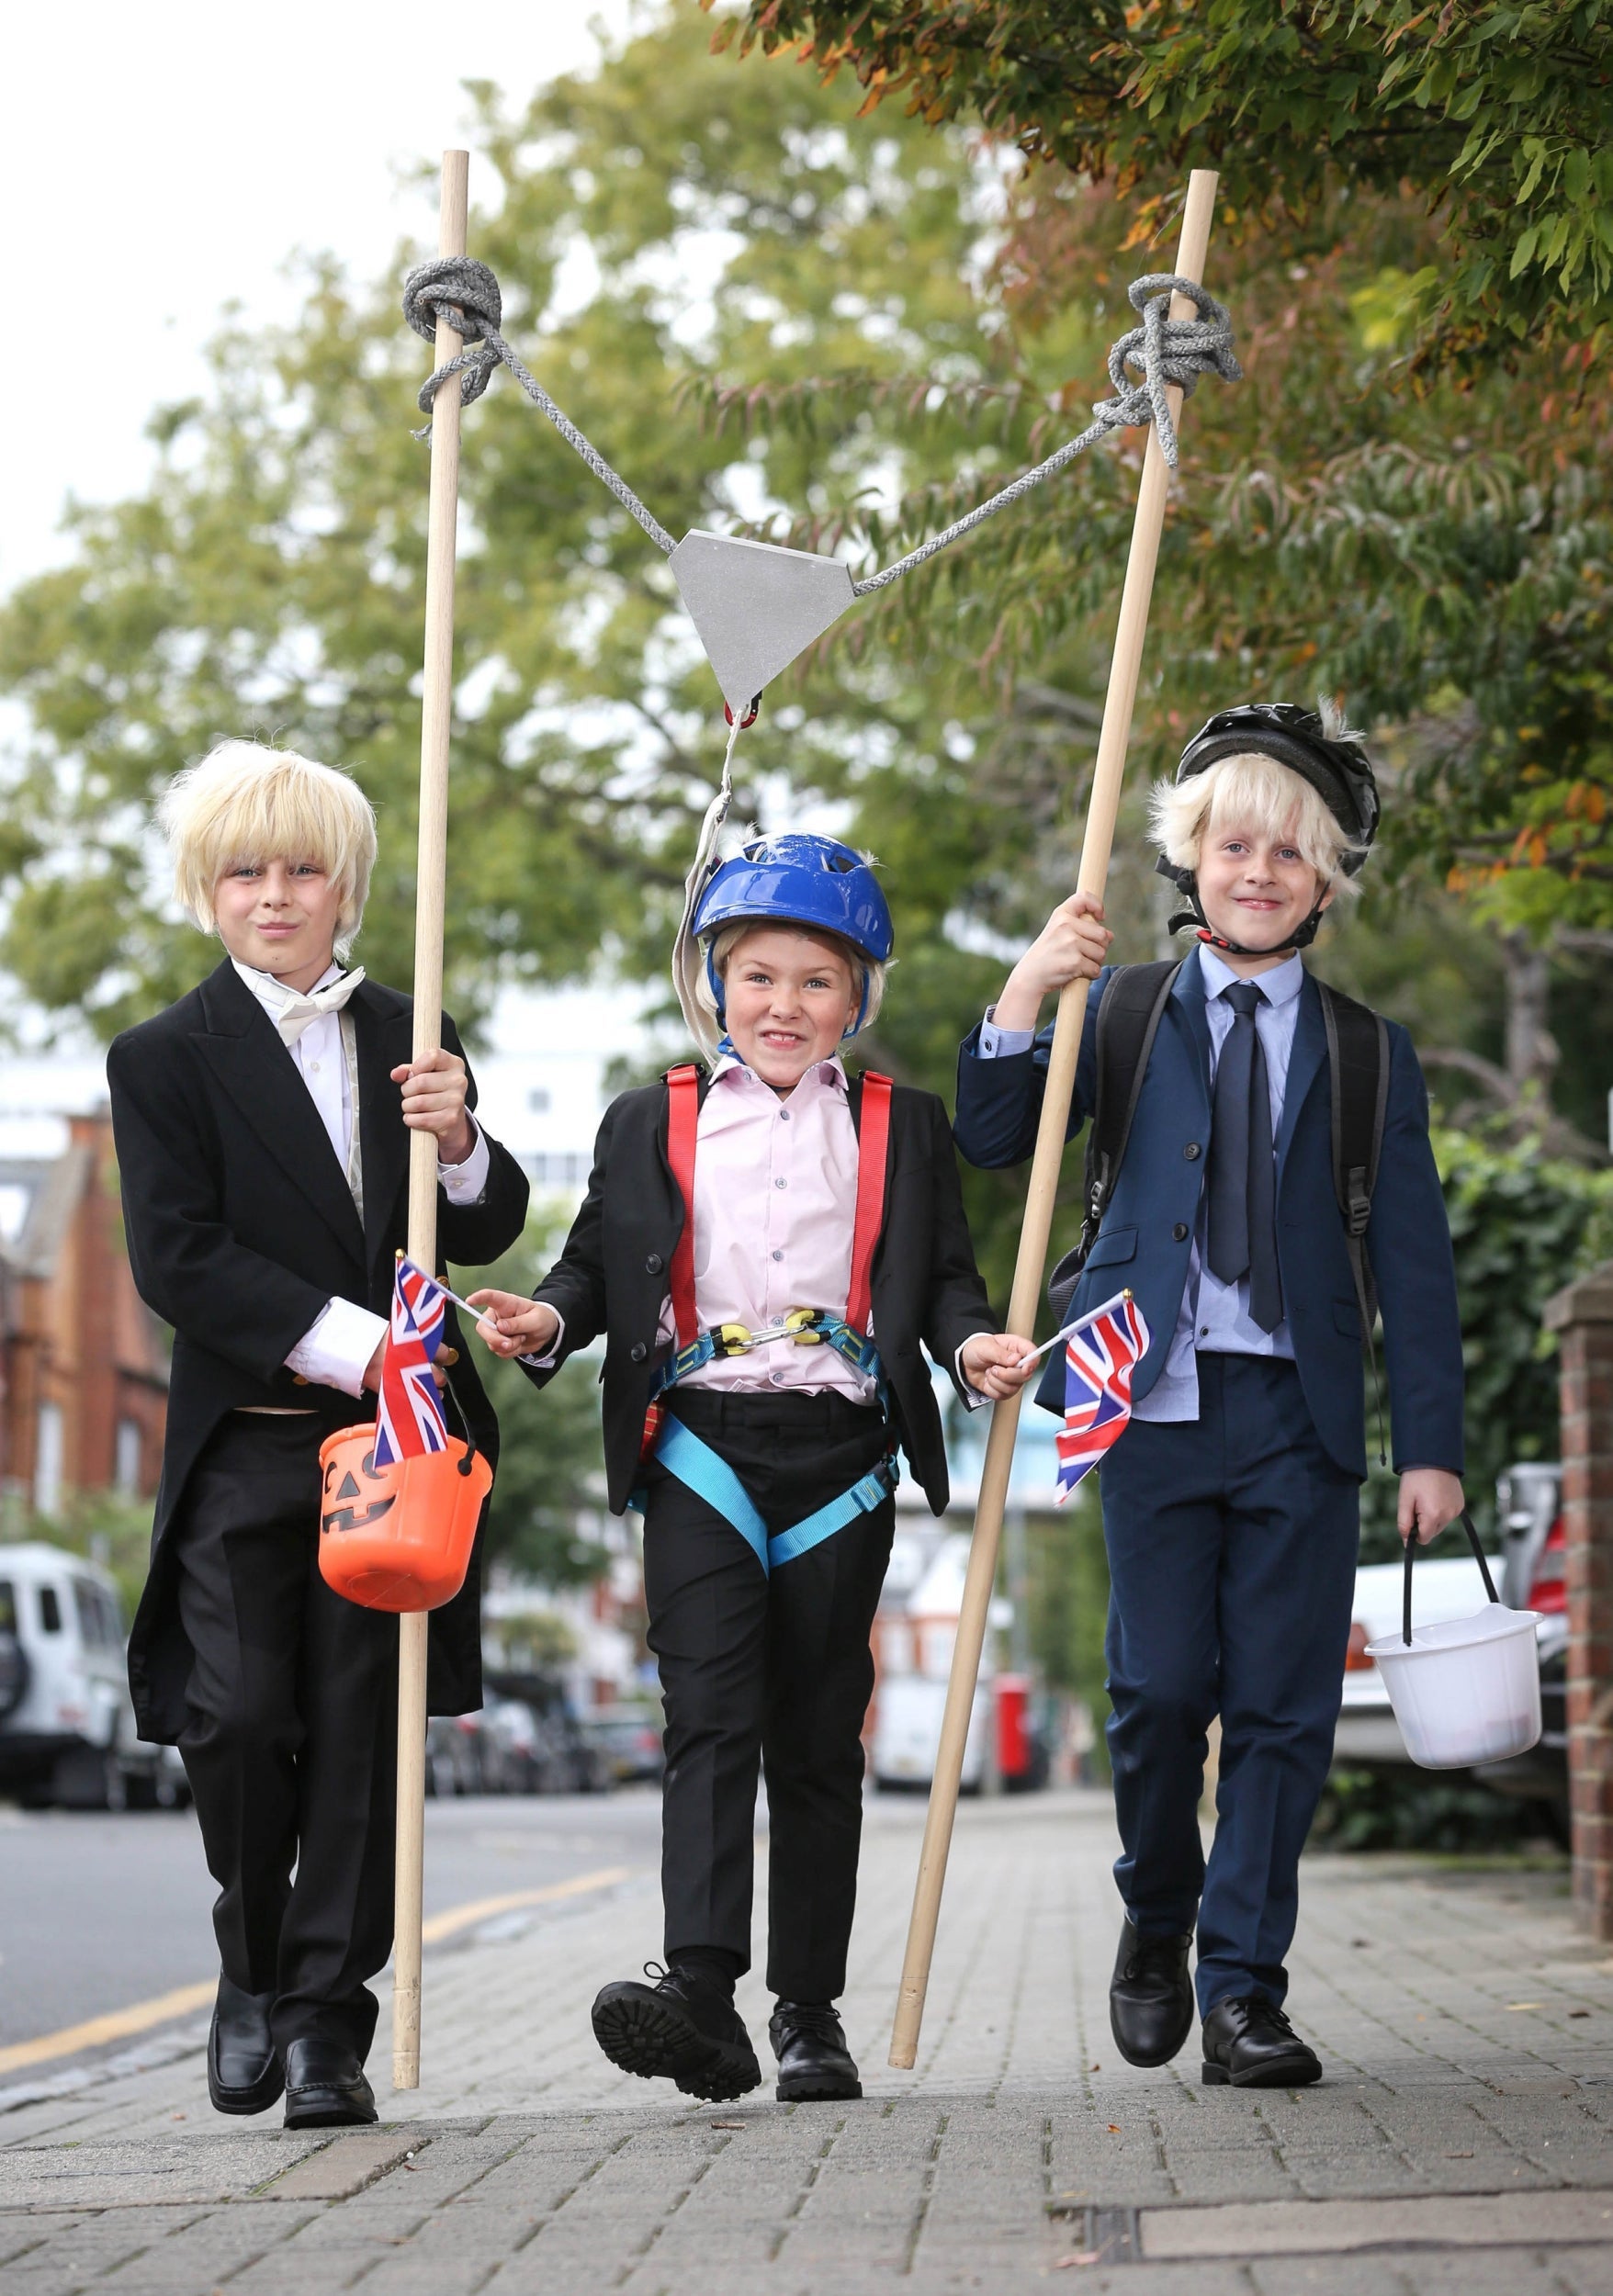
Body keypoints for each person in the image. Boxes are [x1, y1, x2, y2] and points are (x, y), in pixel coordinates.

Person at [471, 833, 1034, 2104]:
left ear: (858, 999)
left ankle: (808, 2014)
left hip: (841, 1458)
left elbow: (941, 1280)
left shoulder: (902, 1127)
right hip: (700, 1450)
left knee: (819, 1742)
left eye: (818, 982)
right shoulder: (647, 1120)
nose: (786, 1006)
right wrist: (548, 1323)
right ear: (714, 982)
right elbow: (589, 1270)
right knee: (711, 1717)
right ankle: (704, 1996)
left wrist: (970, 1344)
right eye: (760, 976)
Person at [953, 704, 1466, 2089]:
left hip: (1300, 1414)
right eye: (1236, 844)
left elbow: (1414, 1267)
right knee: (1161, 1688)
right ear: (1192, 856)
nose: (1261, 869)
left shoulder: (1369, 1054)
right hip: (1148, 1401)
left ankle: (1246, 1990)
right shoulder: (1116, 1016)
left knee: (1288, 1711)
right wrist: (1023, 991)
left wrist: (1433, 1449)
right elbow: (995, 1140)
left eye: (1291, 854)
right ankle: (1156, 1906)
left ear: (1324, 879)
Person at [107, 741, 528, 2128]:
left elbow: (481, 1219)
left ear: (347, 886)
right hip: (251, 1436)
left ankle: (324, 2029)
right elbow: (177, 1258)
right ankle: (252, 1969)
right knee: (236, 1718)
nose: (276, 896)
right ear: (206, 889)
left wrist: (459, 1138)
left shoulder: (413, 1024)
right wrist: (361, 1342)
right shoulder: (163, 1057)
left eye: (303, 871)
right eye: (247, 872)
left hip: (398, 1455)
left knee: (360, 1732)